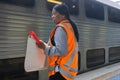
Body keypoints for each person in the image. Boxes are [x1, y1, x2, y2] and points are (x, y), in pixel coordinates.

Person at [37, 4, 79, 80]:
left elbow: (62, 51)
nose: (52, 16)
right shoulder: (70, 27)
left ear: (63, 15)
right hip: (68, 71)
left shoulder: (61, 28)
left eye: (54, 14)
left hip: (61, 72)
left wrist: (45, 48)